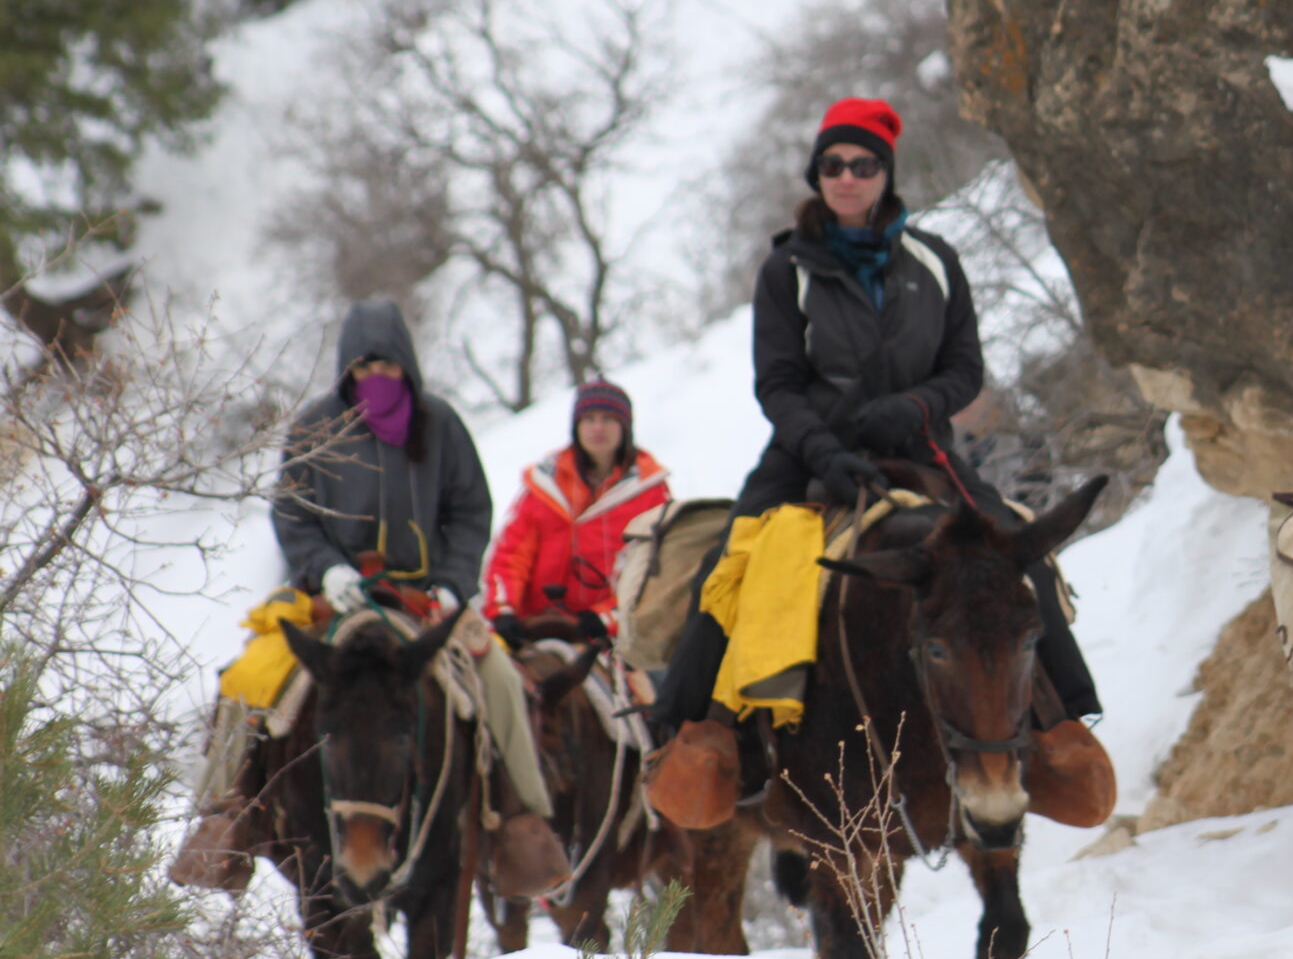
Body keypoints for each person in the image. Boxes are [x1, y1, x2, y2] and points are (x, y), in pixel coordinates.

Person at [645, 97, 1104, 819]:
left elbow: (965, 368)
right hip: (806, 457)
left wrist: (915, 408)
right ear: (817, 176)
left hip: (920, 448)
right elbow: (778, 382)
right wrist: (824, 449)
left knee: (1020, 555)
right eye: (833, 165)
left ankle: (1062, 731)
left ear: (885, 174)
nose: (848, 177)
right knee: (727, 567)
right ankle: (698, 734)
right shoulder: (786, 268)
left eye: (863, 165)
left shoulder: (935, 260)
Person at [170, 299, 570, 896]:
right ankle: (226, 815)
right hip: (330, 601)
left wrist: (453, 582)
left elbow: (469, 511)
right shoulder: (314, 425)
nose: (375, 379)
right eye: (364, 368)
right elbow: (293, 513)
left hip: (423, 599)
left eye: (386, 367)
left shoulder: (442, 425)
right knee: (246, 679)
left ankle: (520, 820)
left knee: (502, 682)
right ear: (347, 370)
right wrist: (326, 569)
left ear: (406, 366)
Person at [483, 378, 670, 646]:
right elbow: (510, 555)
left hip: (615, 636)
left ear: (625, 426)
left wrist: (605, 618)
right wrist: (503, 612)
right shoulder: (543, 486)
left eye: (608, 419)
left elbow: (657, 573)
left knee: (663, 685)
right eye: (589, 418)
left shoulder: (651, 492)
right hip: (531, 629)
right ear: (576, 426)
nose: (597, 428)